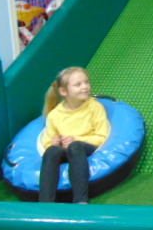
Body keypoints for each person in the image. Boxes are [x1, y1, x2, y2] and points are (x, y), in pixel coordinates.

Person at [39, 67, 109, 204]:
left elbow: (101, 137)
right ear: (63, 91)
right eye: (78, 84)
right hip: (65, 150)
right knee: (52, 151)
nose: (85, 87)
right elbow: (47, 142)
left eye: (86, 82)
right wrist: (54, 143)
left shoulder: (95, 108)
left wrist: (77, 139)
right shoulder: (55, 115)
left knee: (75, 146)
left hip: (85, 147)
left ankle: (81, 201)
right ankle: (45, 203)